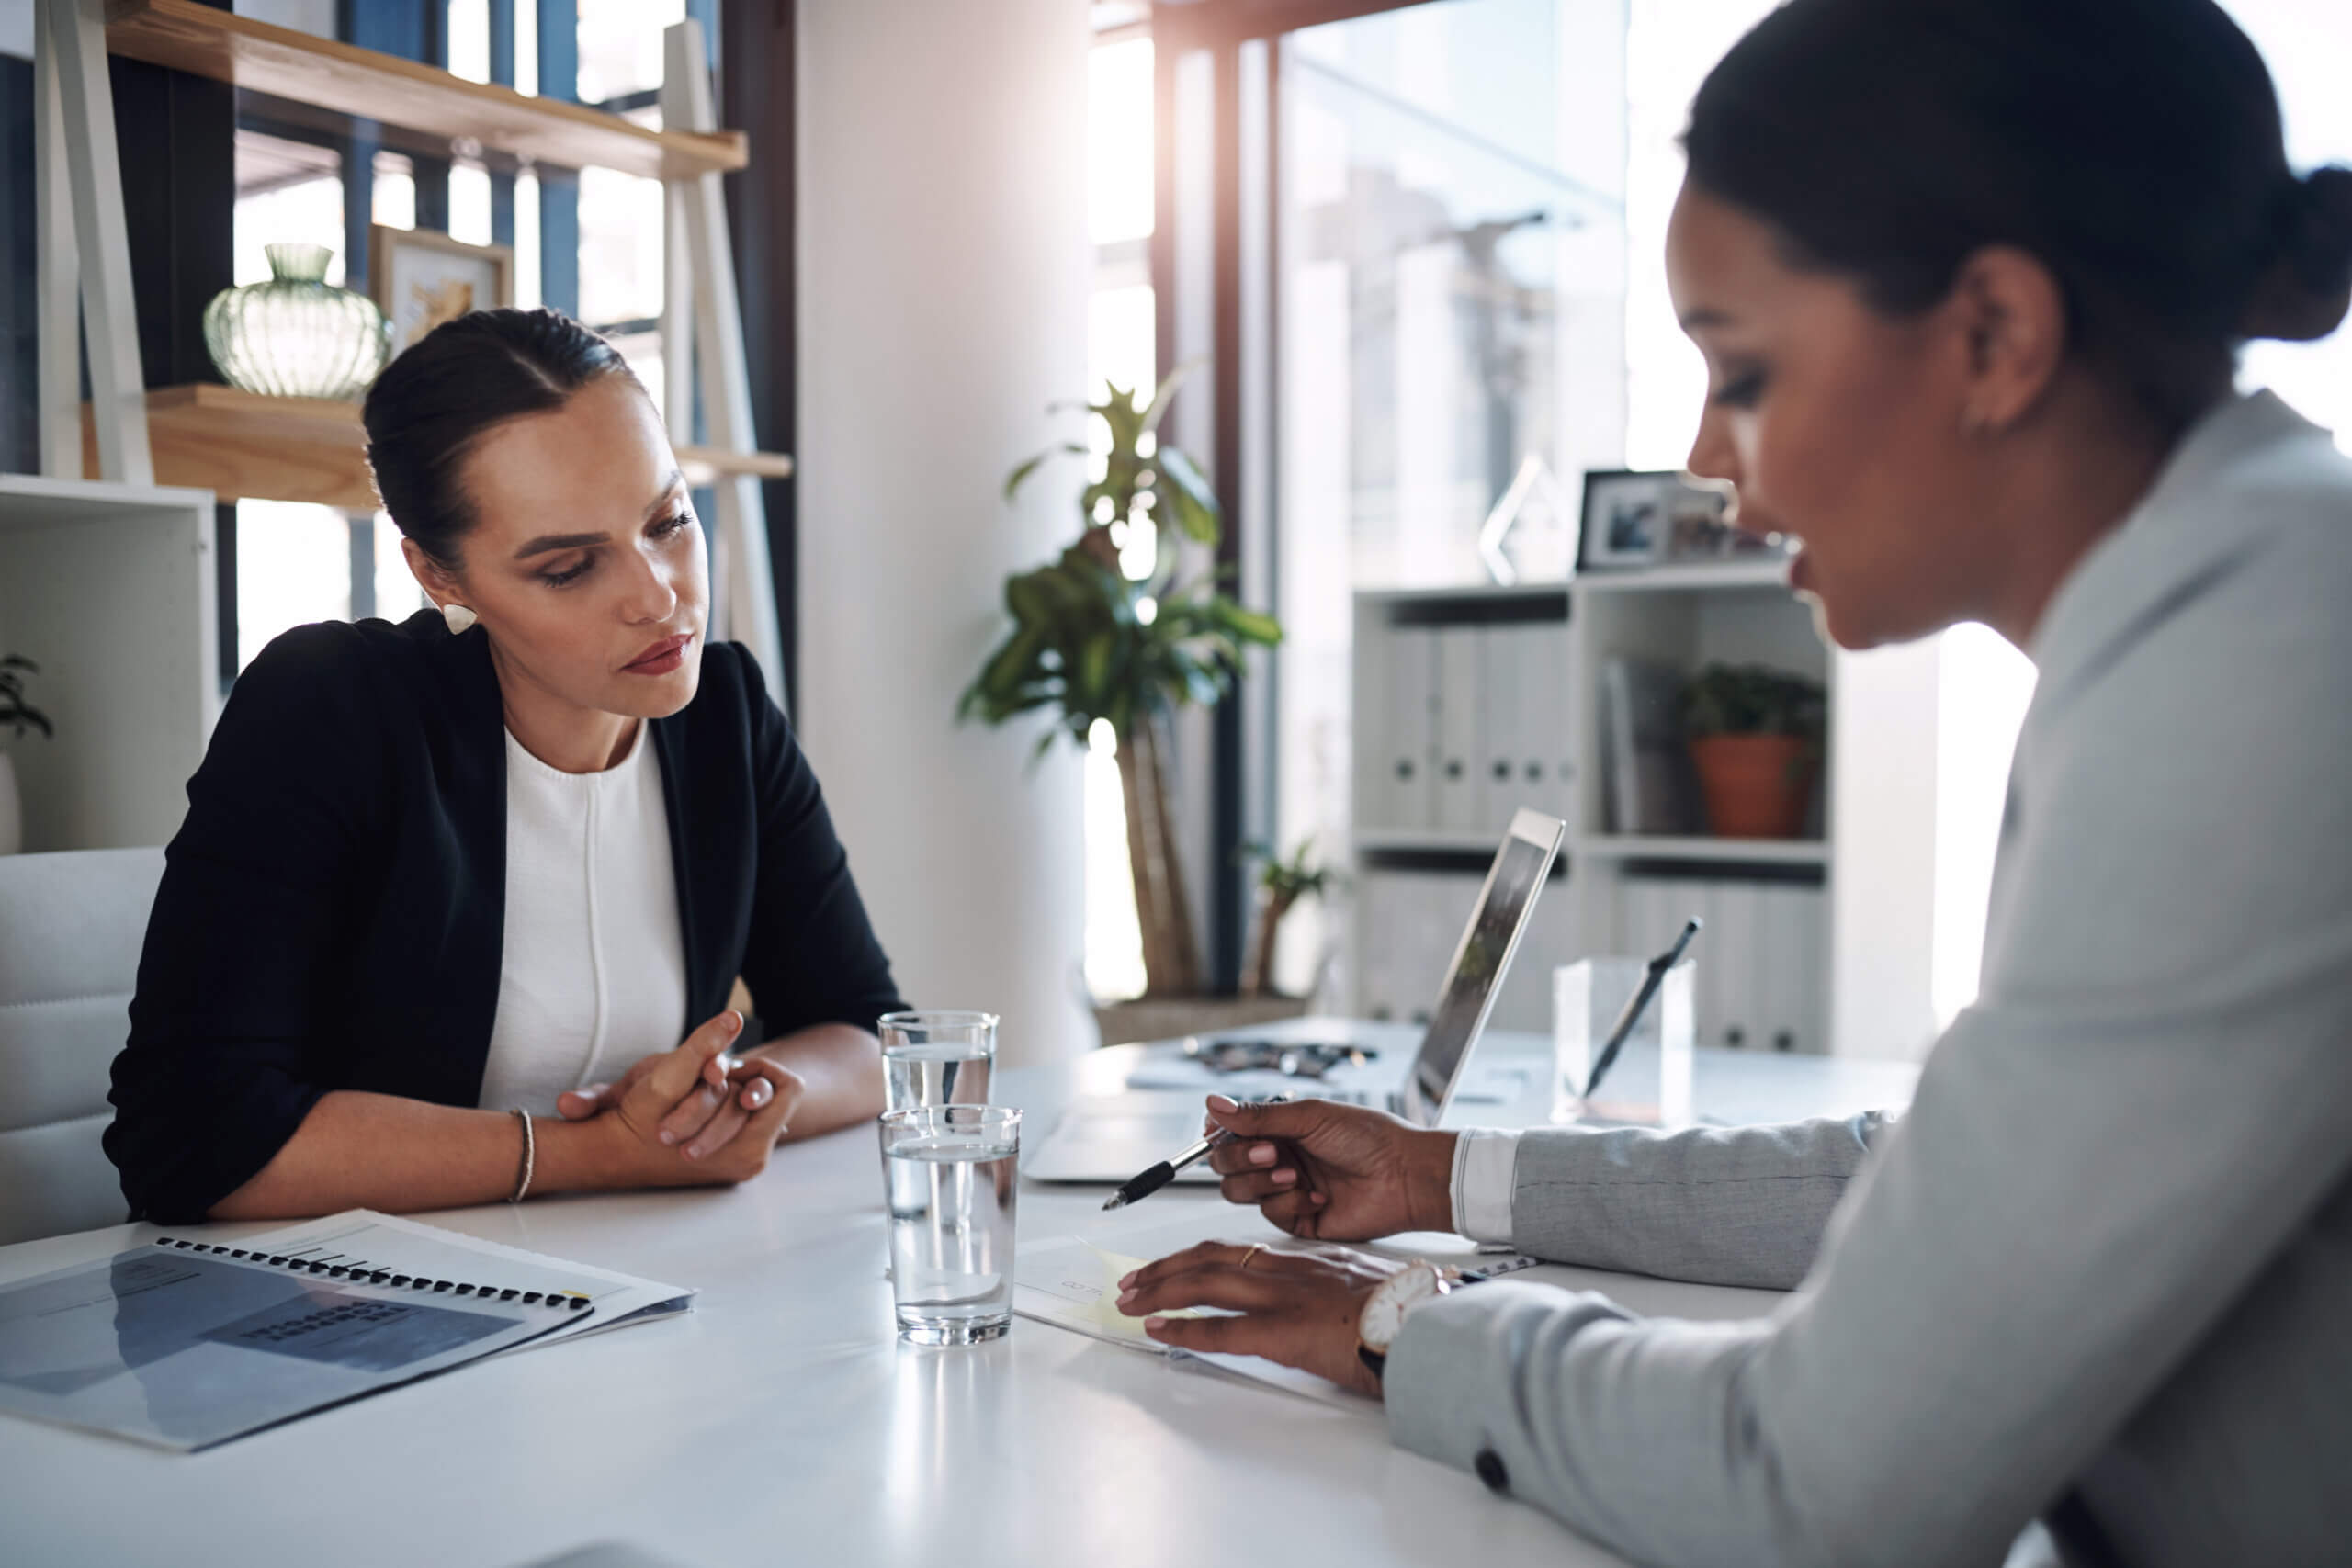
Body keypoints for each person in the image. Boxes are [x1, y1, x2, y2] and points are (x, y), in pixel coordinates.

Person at [1115, 2, 2352, 1563]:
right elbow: (1939, 1190)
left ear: (1995, 335)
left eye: (1743, 371)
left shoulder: (2250, 671)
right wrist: (1444, 1174)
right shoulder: (2227, 593)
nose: (1706, 462)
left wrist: (1403, 1327)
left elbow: (1811, 1484)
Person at [106, 309, 904, 1224]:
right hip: (348, 1317)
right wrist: (598, 1155)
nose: (658, 596)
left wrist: (722, 1104)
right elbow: (187, 1139)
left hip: (626, 1288)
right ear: (440, 576)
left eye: (669, 521)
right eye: (568, 567)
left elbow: (871, 1034)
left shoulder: (723, 715)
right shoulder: (331, 709)